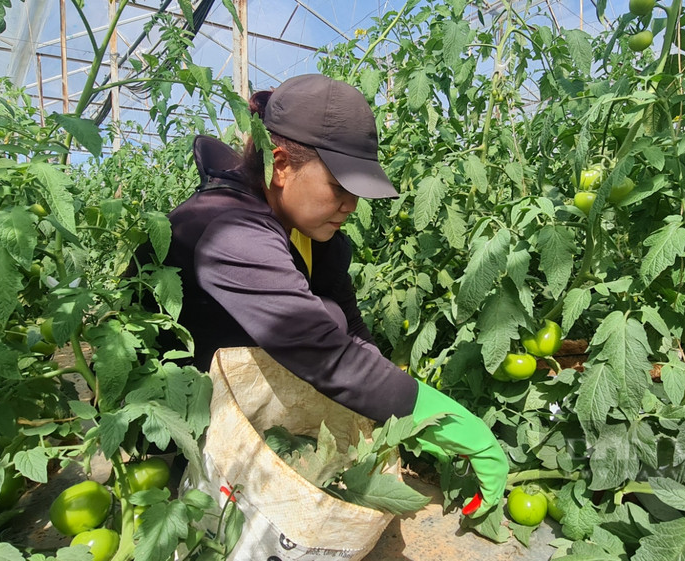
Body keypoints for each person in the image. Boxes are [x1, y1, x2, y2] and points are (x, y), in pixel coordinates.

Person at [158, 74, 508, 516]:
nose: (351, 205)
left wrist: (403, 416)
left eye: (356, 191)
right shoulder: (229, 231)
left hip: (238, 384)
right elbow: (323, 350)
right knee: (322, 327)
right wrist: (446, 419)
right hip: (174, 414)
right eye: (339, 187)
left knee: (333, 316)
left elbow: (350, 329)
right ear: (281, 166)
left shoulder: (308, 231)